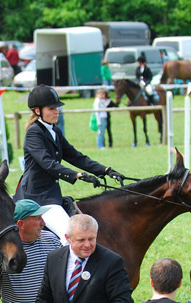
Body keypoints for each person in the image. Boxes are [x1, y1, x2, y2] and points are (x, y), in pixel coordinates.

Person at [13, 85, 124, 244]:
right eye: (51, 108)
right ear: (38, 111)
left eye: (57, 108)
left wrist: (105, 170)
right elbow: (48, 164)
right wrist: (77, 175)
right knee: (70, 237)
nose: (56, 111)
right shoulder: (34, 133)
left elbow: (75, 156)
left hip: (52, 194)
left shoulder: (54, 131)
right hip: (38, 197)